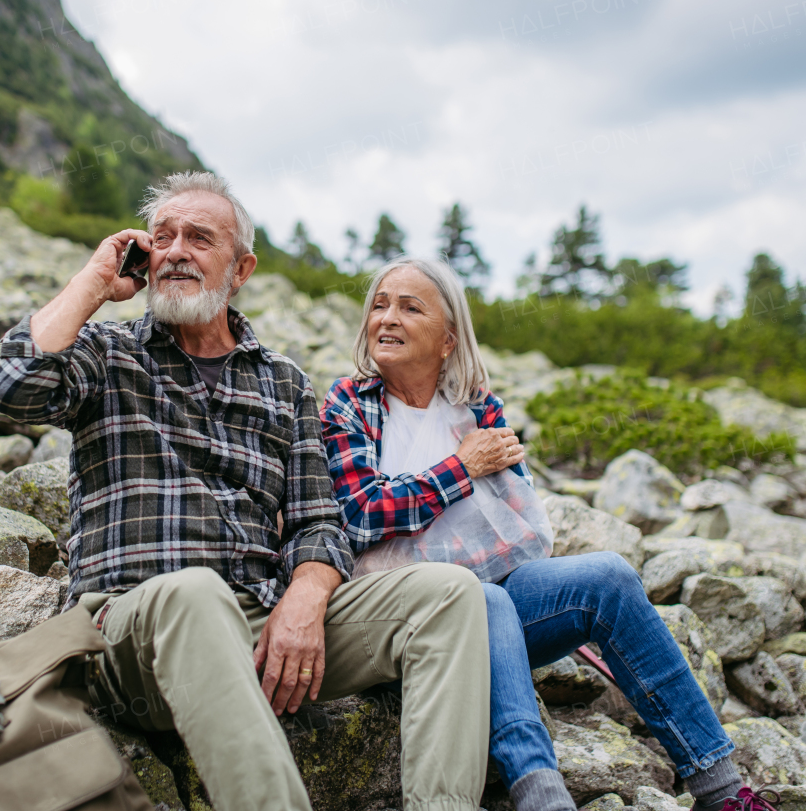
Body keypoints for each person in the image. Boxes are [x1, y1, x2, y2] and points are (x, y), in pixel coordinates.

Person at [0, 173, 492, 811]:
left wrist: (305, 598)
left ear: (242, 267)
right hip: (130, 628)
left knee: (449, 594)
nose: (174, 251)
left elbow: (318, 524)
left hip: (255, 621)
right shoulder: (105, 354)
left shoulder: (283, 381)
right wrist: (94, 284)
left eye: (199, 238)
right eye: (161, 237)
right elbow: (10, 387)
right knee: (196, 593)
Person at [320, 256, 778, 811]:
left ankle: (721, 788)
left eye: (410, 307)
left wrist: (466, 473)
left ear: (447, 341)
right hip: (399, 627)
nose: (386, 318)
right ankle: (542, 795)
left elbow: (516, 530)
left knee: (606, 575)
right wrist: (460, 469)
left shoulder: (475, 407)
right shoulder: (349, 403)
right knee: (479, 597)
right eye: (379, 304)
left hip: (494, 605)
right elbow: (359, 515)